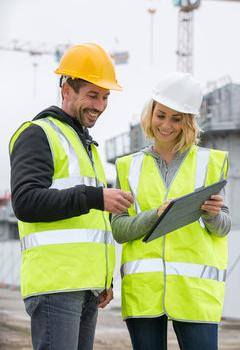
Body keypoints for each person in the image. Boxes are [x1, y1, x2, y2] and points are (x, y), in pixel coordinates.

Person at [9, 43, 134, 350]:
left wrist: (103, 278)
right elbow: (25, 202)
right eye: (92, 95)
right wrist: (95, 197)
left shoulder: (86, 145)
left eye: (105, 97)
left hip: (85, 287)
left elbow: (90, 226)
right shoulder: (38, 134)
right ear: (66, 90)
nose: (101, 105)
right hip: (56, 285)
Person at [111, 72, 231, 350]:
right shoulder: (127, 166)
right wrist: (154, 216)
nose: (166, 125)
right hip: (144, 290)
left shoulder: (210, 162)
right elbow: (118, 229)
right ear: (150, 112)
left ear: (188, 121)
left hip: (195, 292)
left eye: (176, 118)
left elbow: (224, 225)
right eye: (161, 114)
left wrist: (212, 215)